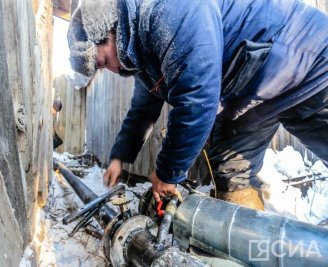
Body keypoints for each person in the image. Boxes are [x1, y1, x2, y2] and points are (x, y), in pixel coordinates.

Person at [68, 0, 328, 210]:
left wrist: (167, 172)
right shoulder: (142, 54)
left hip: (307, 61)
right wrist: (120, 157)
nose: (112, 70)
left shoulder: (169, 11)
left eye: (103, 63)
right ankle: (251, 249)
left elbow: (197, 99)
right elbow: (142, 110)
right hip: (256, 92)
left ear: (110, 33)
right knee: (231, 171)